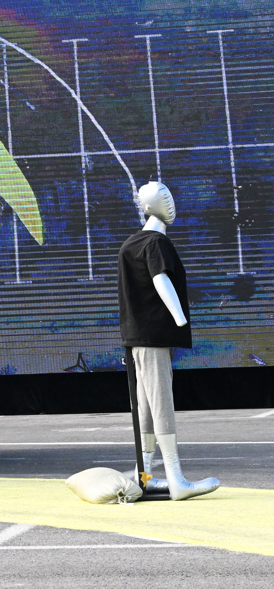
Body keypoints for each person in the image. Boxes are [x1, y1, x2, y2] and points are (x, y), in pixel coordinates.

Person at [117, 181, 219, 501]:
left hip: (137, 337)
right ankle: (176, 480)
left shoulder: (131, 243)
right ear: (150, 206)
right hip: (153, 336)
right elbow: (160, 279)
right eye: (165, 198)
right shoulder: (156, 243)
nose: (170, 203)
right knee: (161, 403)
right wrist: (179, 316)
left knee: (146, 407)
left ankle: (144, 477)